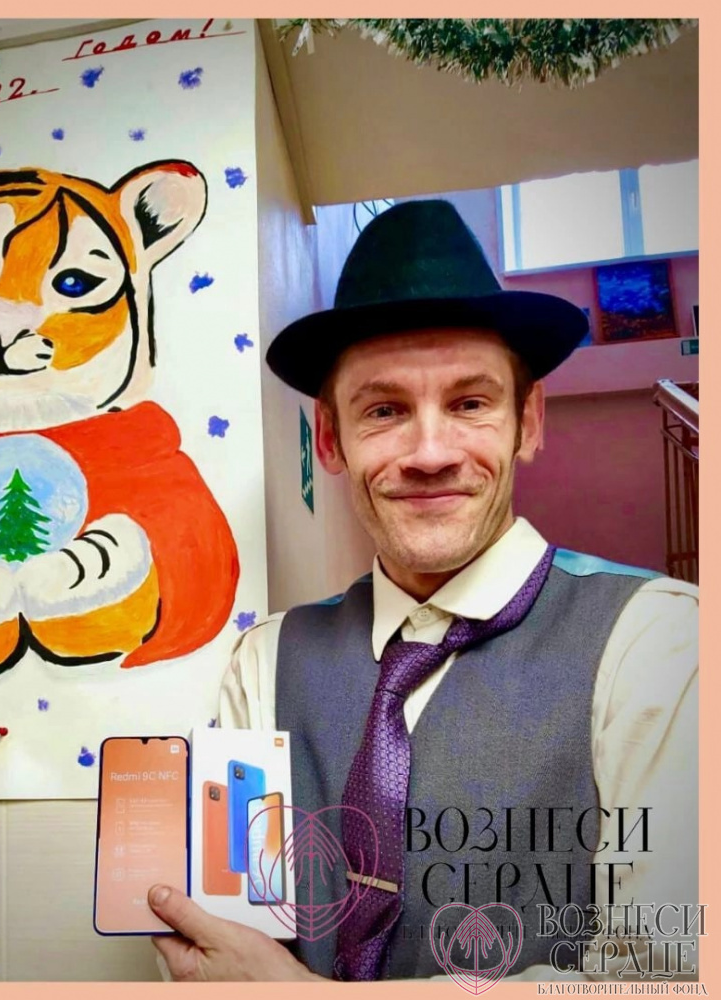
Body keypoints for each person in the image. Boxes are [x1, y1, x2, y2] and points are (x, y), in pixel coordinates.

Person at [147, 200, 699, 982]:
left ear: (528, 422)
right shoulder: (264, 662)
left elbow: (668, 977)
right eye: (384, 410)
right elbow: (227, 953)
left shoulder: (661, 643)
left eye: (470, 404)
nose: (430, 453)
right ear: (331, 439)